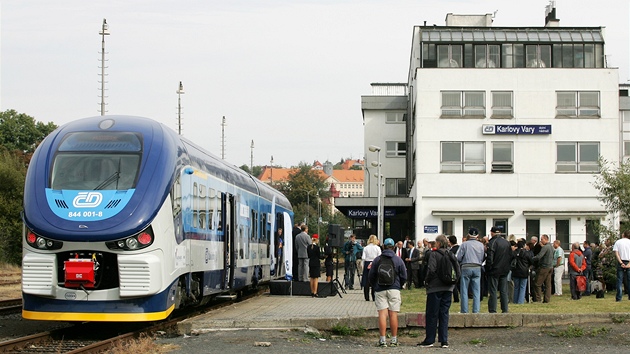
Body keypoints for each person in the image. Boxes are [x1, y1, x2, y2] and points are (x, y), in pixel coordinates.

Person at [418, 235, 456, 349]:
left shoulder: (434, 254)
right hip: (448, 287)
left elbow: (431, 269)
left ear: (438, 243)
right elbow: (457, 268)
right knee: (444, 313)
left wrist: (427, 281)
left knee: (432, 313)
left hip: (435, 287)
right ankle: (444, 340)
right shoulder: (451, 254)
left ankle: (430, 339)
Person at [368, 238, 407, 348]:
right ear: (393, 247)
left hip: (380, 289)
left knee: (382, 314)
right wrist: (399, 285)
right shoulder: (398, 260)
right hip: (394, 289)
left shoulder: (377, 260)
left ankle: (382, 340)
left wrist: (375, 285)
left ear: (383, 247)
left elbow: (371, 275)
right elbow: (404, 275)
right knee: (393, 314)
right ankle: (394, 340)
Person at [457, 227, 485, 313]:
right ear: (477, 235)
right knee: (476, 290)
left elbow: (458, 257)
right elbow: (483, 257)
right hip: (477, 267)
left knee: (464, 289)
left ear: (468, 234)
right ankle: (476, 310)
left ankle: (464, 310)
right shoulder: (481, 245)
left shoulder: (464, 244)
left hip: (466, 266)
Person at [486, 226, 512, 313]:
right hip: (504, 269)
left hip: (494, 269)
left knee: (493, 290)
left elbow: (490, 257)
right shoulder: (507, 243)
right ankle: (505, 309)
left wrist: (488, 268)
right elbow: (511, 256)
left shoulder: (492, 243)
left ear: (492, 233)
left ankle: (493, 309)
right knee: (504, 291)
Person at [532, 234, 554, 303]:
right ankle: (547, 299)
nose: (541, 241)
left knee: (537, 283)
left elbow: (539, 256)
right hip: (550, 267)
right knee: (548, 285)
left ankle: (538, 299)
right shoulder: (551, 247)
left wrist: (532, 258)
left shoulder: (545, 247)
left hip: (544, 267)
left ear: (545, 239)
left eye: (542, 239)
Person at [361, 235, 382, 301]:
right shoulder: (377, 248)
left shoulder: (365, 248)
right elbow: (379, 257)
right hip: (375, 263)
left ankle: (366, 297)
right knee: (374, 280)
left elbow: (363, 257)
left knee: (366, 280)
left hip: (367, 263)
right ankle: (374, 296)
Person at [512, 240, 533, 304]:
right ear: (523, 246)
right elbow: (531, 261)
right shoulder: (526, 253)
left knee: (516, 287)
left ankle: (515, 300)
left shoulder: (514, 252)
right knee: (522, 287)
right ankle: (520, 301)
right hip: (524, 271)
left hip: (515, 271)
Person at [613, 230, 630, 302]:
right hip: (628, 261)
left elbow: (616, 253)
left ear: (623, 235)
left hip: (621, 261)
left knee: (619, 280)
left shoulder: (618, 242)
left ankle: (619, 297)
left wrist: (620, 262)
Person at [448, 235, 460, 303]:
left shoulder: (451, 251)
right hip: (460, 267)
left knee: (454, 284)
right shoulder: (460, 247)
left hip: (454, 268)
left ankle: (456, 298)